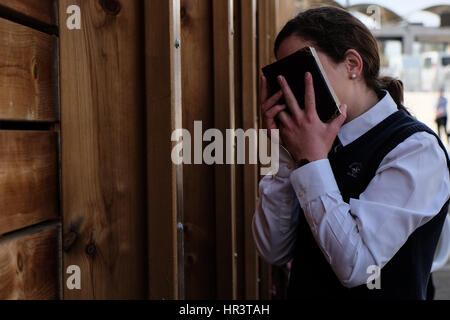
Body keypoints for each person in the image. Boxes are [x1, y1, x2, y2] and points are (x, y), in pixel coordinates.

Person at [252, 6, 450, 299]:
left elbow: (357, 267)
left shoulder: (415, 148)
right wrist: (284, 151)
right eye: (283, 76)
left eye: (302, 70)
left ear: (352, 64)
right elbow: (273, 249)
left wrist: (312, 161)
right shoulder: (311, 138)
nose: (292, 89)